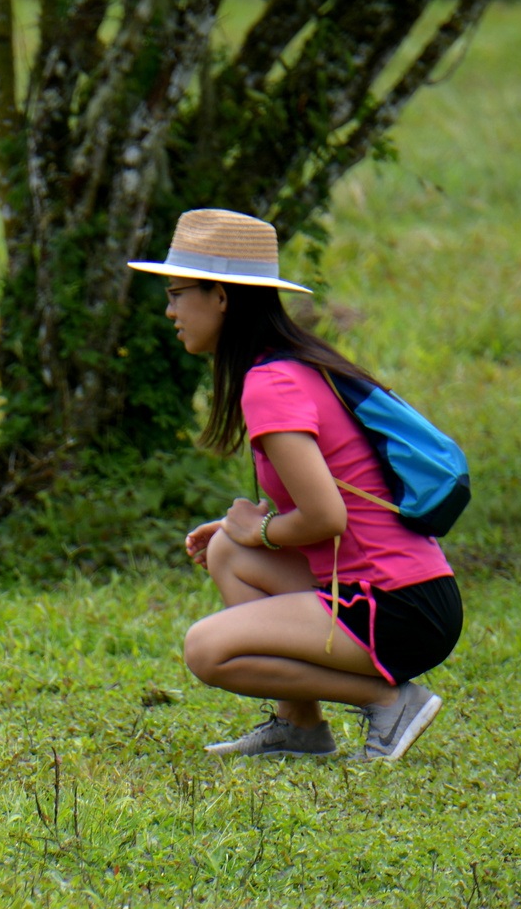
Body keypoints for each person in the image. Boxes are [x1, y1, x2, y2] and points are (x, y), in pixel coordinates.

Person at [129, 209, 461, 761]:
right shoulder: (289, 367)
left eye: (176, 293)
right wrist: (241, 533)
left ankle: (388, 700)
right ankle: (299, 726)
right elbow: (321, 507)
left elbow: (328, 518)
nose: (169, 311)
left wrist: (259, 528)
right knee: (225, 551)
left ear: (221, 297)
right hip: (403, 591)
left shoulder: (270, 383)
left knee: (206, 649)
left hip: (397, 606)